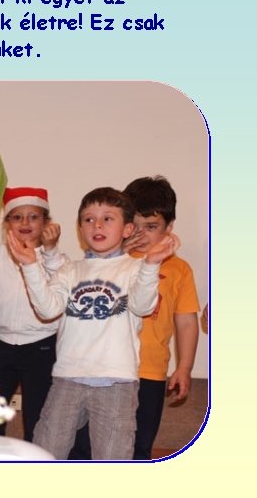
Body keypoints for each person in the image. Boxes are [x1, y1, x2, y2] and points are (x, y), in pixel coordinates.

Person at [7, 187, 178, 460]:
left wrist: (151, 264)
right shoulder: (69, 270)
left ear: (127, 229)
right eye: (89, 219)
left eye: (107, 218)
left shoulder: (136, 267)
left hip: (116, 380)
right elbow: (47, 309)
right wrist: (30, 266)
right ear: (80, 229)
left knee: (112, 456)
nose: (97, 225)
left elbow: (142, 305)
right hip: (68, 377)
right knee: (44, 451)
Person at [123, 176, 200, 459]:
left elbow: (186, 322)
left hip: (151, 371)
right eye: (135, 225)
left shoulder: (180, 270)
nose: (141, 234)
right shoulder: (113, 261)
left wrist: (185, 367)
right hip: (108, 368)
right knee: (98, 443)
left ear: (169, 228)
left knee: (141, 446)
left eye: (151, 227)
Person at [0, 187, 67, 441]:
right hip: (3, 344)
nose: (25, 223)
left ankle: (36, 457)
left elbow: (59, 284)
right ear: (7, 223)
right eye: (17, 217)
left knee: (37, 416)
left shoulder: (56, 259)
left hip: (41, 346)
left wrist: (50, 251)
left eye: (33, 217)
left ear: (47, 223)